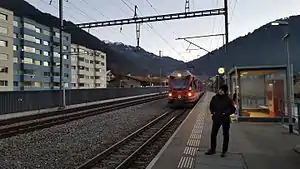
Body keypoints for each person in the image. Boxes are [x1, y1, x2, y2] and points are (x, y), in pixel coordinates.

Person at [205, 84, 236, 157]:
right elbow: (211, 106)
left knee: (225, 135)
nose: (220, 91)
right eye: (220, 89)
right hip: (216, 119)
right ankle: (212, 149)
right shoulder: (215, 98)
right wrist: (213, 112)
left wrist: (226, 113)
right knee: (213, 134)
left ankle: (224, 151)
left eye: (222, 90)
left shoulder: (228, 99)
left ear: (225, 91)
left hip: (225, 120)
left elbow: (233, 109)